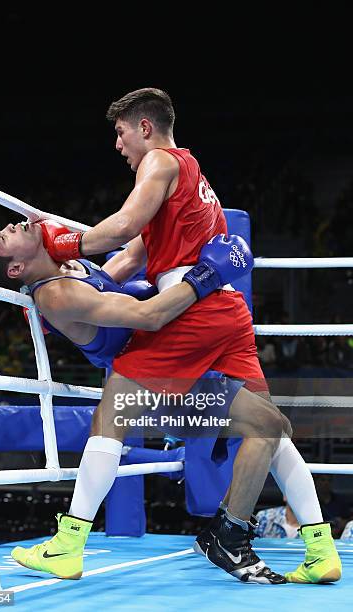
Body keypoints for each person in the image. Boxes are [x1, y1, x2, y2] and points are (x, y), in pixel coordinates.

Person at [30, 88, 340, 584]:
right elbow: (127, 258)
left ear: (145, 128)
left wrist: (55, 240)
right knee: (267, 430)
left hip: (189, 309)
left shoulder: (160, 162)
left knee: (112, 410)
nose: (118, 145)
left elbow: (122, 226)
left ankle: (68, 544)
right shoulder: (191, 181)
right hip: (226, 313)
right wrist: (83, 278)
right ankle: (320, 548)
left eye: (120, 132)